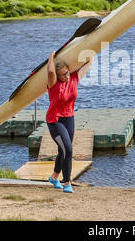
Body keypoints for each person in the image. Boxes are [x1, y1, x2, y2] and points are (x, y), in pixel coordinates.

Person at [46, 51, 93, 193]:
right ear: (57, 75)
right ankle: (67, 182)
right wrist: (51, 57)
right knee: (68, 149)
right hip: (55, 121)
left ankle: (54, 177)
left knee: (63, 150)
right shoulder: (53, 83)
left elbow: (89, 62)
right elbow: (50, 71)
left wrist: (89, 47)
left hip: (69, 119)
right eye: (62, 75)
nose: (66, 76)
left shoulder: (74, 78)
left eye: (67, 73)